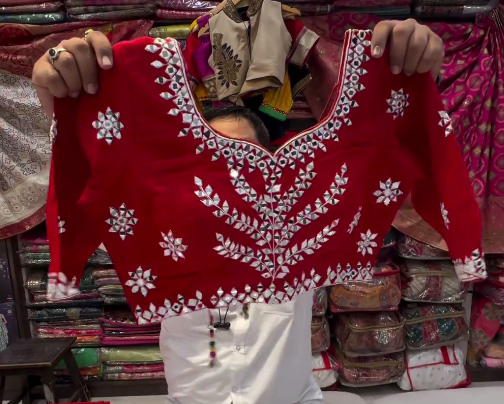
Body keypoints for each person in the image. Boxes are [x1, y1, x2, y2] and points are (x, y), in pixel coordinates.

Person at [31, 19, 445, 404]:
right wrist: (55, 85)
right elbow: (86, 151)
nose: (229, 180)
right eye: (214, 167)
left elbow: (386, 137)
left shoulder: (306, 219)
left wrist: (413, 65)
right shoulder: (154, 225)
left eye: (244, 161)